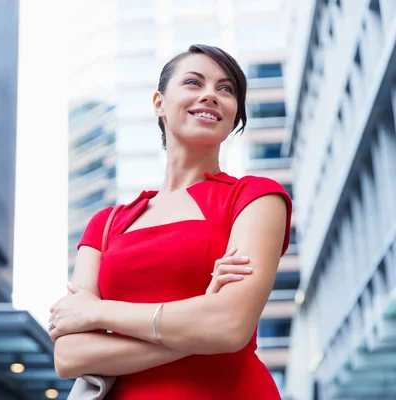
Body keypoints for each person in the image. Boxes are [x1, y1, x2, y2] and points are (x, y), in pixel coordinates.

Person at [49, 44, 292, 399]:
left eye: (226, 90)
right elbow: (69, 355)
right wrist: (198, 327)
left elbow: (229, 326)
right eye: (194, 83)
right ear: (159, 103)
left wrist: (98, 312)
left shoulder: (255, 197)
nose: (211, 95)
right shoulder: (106, 224)